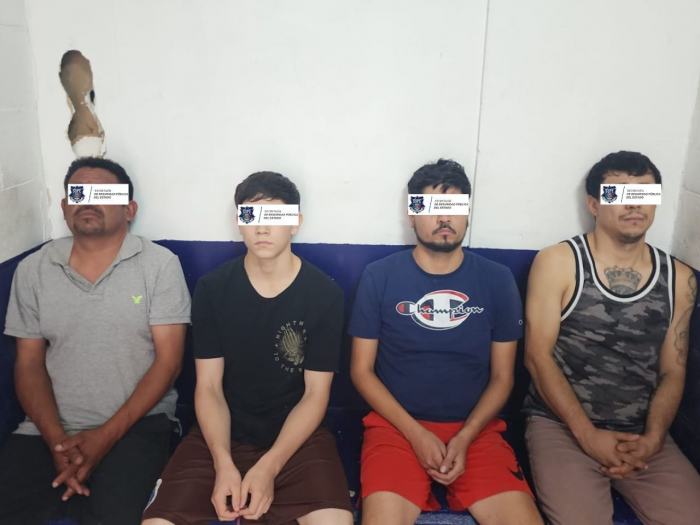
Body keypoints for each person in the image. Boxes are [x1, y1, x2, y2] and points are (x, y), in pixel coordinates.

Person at [142, 171, 353, 525]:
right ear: (239, 223)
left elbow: (315, 394)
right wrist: (223, 463)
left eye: (276, 216)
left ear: (296, 223)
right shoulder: (213, 289)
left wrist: (269, 467)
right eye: (251, 216)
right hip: (221, 432)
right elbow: (209, 386)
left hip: (297, 437)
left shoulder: (324, 294)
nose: (262, 228)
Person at [349, 159, 543, 525]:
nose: (444, 218)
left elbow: (503, 377)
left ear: (467, 213)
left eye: (453, 207)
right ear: (412, 215)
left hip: (477, 430)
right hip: (395, 428)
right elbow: (361, 371)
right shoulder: (380, 276)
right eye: (431, 207)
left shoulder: (497, 279)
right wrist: (415, 434)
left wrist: (466, 436)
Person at [0, 157, 191, 525]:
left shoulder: (159, 265)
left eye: (102, 194)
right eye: (78, 194)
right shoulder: (33, 269)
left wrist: (103, 438)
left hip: (137, 425)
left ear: (129, 210)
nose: (87, 201)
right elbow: (29, 364)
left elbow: (169, 363)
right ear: (64, 206)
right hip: (47, 429)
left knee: (118, 515)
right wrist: (56, 440)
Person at [523, 151, 700, 525]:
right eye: (619, 194)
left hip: (642, 434)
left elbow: (673, 371)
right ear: (594, 204)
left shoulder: (680, 279)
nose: (634, 204)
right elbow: (537, 358)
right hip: (561, 425)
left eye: (644, 194)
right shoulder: (559, 262)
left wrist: (653, 438)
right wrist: (588, 437)